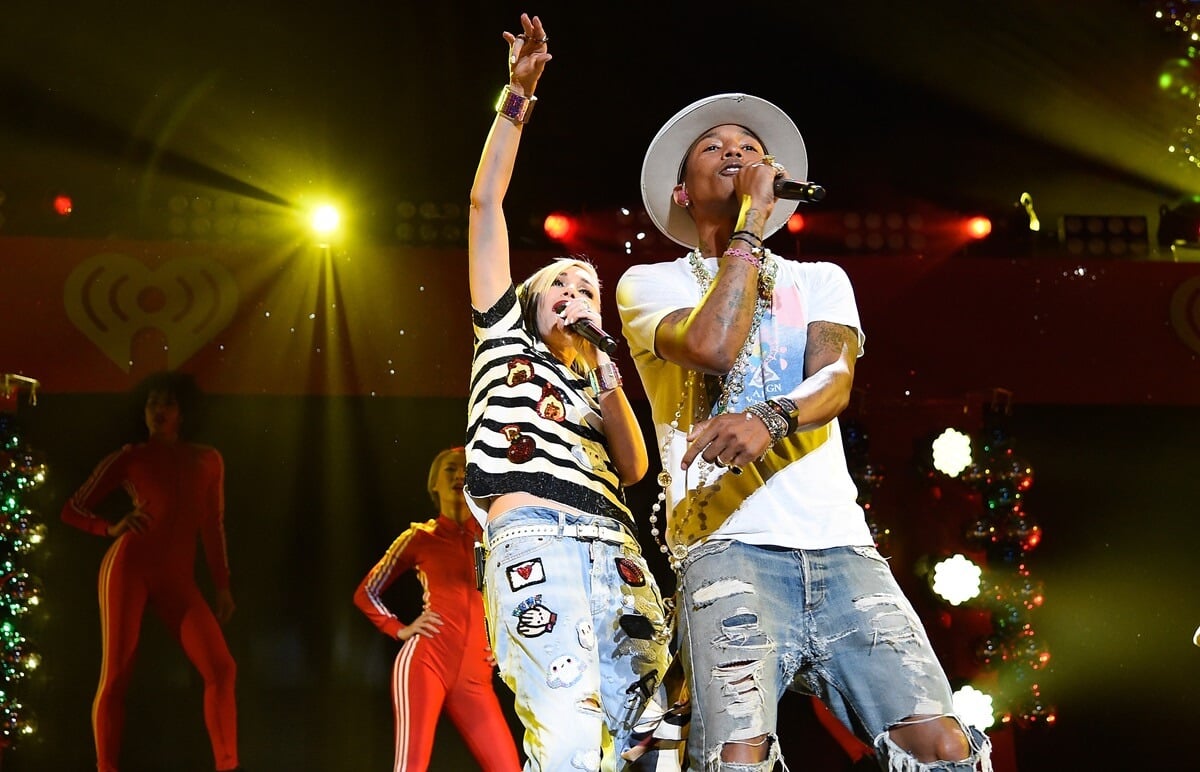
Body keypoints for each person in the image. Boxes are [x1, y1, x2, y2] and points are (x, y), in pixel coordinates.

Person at [616, 94, 993, 771]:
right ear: (681, 192)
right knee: (739, 755)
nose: (736, 150)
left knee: (941, 746)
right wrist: (751, 230)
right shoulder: (649, 284)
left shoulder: (820, 279)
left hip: (841, 549)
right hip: (727, 550)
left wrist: (770, 417)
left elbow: (835, 381)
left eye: (749, 145)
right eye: (714, 147)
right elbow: (712, 344)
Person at [465, 13, 675, 771]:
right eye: (562, 282)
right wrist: (516, 99)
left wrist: (607, 370)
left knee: (647, 728)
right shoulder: (502, 336)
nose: (576, 291)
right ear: (530, 297)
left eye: (589, 286)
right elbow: (484, 208)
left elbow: (635, 469)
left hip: (614, 544)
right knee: (568, 728)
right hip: (536, 537)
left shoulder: (597, 378)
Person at [61, 371, 240, 772]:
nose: (158, 410)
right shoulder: (131, 456)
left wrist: (222, 587)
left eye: (168, 403)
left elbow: (213, 525)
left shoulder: (207, 459)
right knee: (117, 675)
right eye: (152, 403)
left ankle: (229, 765)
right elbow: (72, 508)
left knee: (222, 668)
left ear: (182, 412)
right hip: (130, 567)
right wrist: (108, 527)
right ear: (143, 411)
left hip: (177, 577)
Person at [353, 446, 522, 772]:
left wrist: (505, 643)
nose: (459, 474)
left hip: (477, 675)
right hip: (426, 662)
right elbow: (366, 593)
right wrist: (398, 628)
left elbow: (516, 593)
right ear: (434, 484)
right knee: (411, 766)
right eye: (449, 469)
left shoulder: (493, 535)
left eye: (465, 468)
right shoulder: (420, 537)